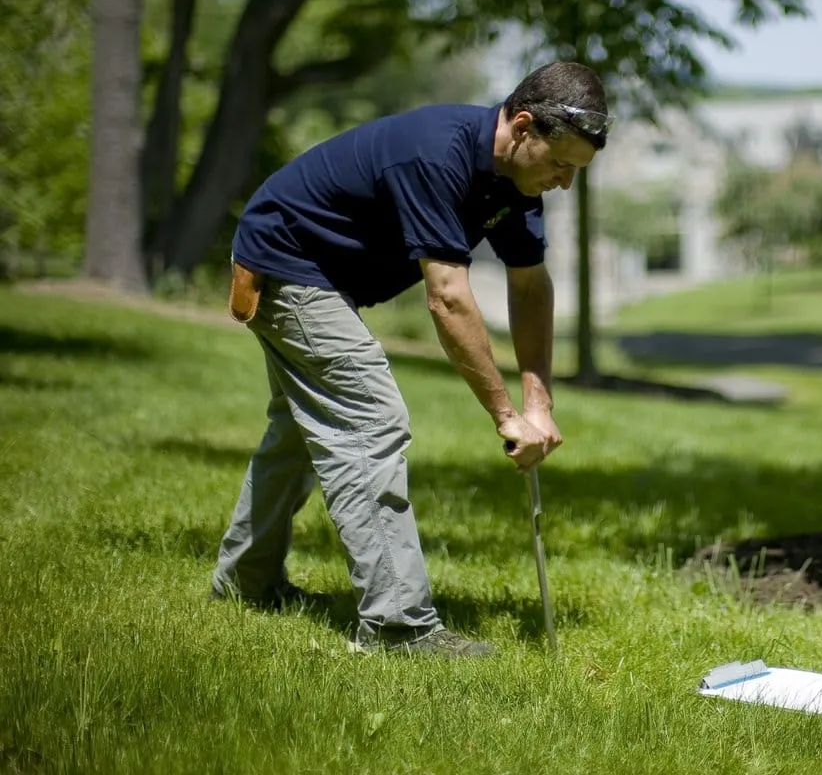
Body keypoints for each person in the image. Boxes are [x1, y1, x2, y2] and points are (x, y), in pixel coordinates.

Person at [210, 60, 611, 657]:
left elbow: (530, 288)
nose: (564, 184)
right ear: (522, 126)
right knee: (371, 419)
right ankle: (399, 629)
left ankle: (245, 583)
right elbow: (448, 299)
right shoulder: (436, 155)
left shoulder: (519, 182)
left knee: (303, 430)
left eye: (576, 172)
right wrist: (505, 416)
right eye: (560, 164)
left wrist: (538, 401)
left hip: (329, 278)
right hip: (288, 260)